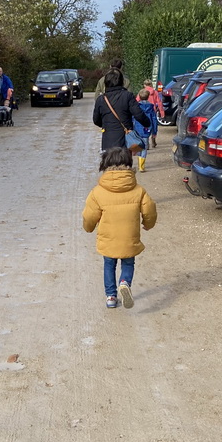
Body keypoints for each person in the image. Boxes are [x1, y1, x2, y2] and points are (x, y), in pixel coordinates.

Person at [82, 147, 158, 309]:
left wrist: (88, 228)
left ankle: (111, 296)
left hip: (108, 238)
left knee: (109, 265)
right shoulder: (139, 191)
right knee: (128, 263)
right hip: (129, 237)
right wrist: (148, 224)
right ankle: (124, 282)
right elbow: (149, 210)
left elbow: (89, 216)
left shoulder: (98, 192)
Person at [93, 68, 150, 152]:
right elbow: (139, 114)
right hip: (125, 141)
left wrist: (107, 124)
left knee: (109, 164)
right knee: (124, 164)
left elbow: (96, 120)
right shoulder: (128, 96)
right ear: (121, 81)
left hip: (107, 142)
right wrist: (147, 123)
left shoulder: (101, 99)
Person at [133, 90, 157, 172]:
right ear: (148, 97)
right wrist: (154, 131)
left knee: (139, 147)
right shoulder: (151, 108)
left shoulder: (136, 107)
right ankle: (141, 166)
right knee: (144, 148)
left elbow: (132, 118)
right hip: (147, 129)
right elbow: (154, 120)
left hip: (137, 128)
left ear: (139, 96)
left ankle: (139, 163)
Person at [142, 79, 164, 147]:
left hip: (144, 112)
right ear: (151, 84)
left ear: (144, 85)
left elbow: (137, 101)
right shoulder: (155, 92)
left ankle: (146, 142)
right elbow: (159, 102)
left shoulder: (142, 92)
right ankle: (153, 139)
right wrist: (162, 112)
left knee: (145, 126)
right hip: (152, 111)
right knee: (154, 125)